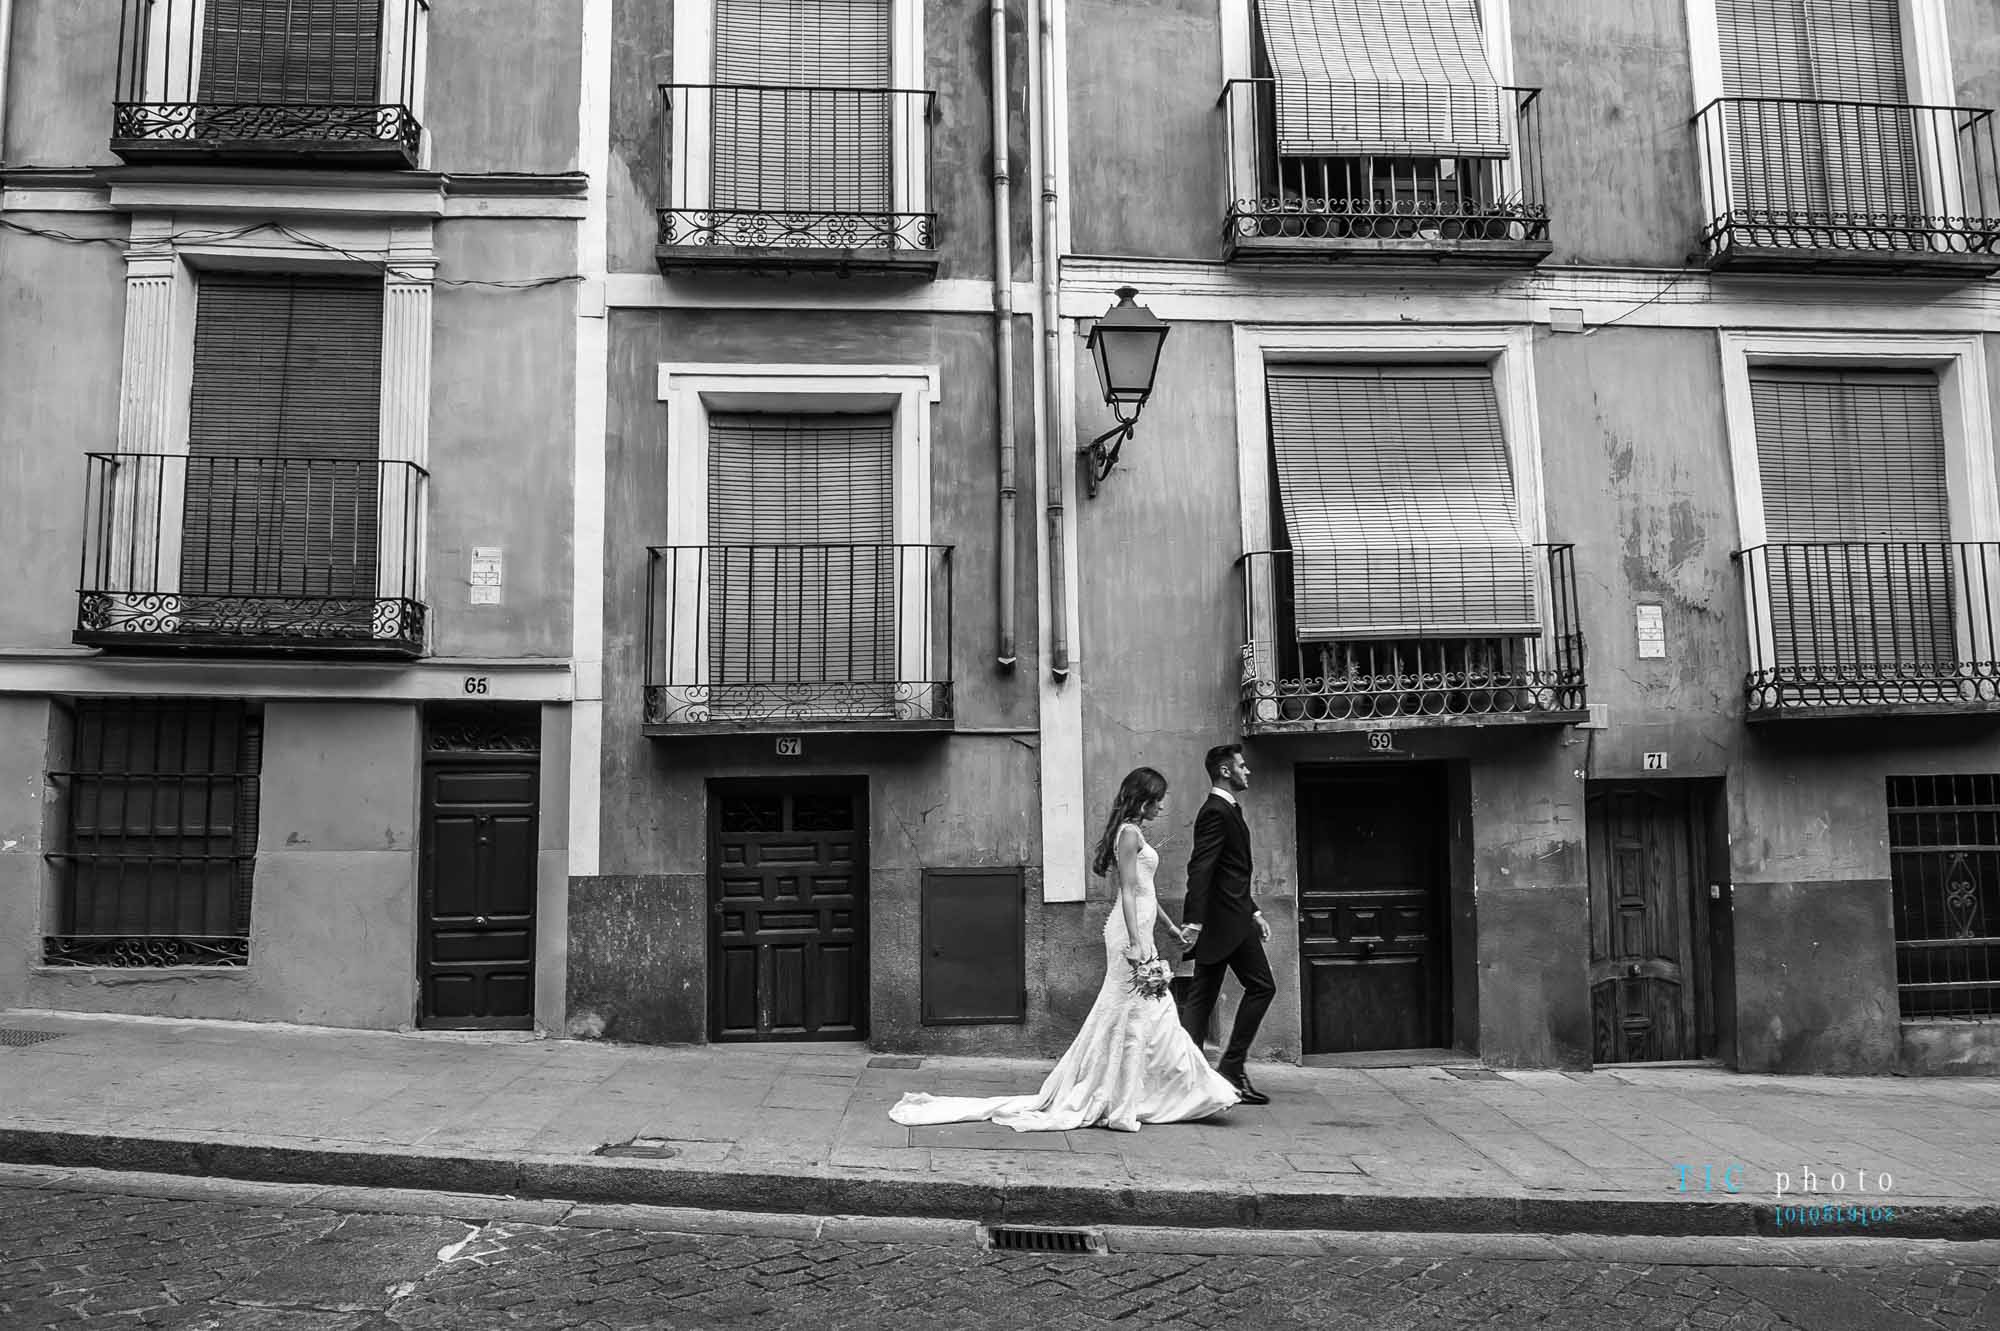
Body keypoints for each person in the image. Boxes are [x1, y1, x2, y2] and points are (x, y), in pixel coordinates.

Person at [888, 767, 1240, 1132]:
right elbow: (1128, 894)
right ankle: (1138, 1100)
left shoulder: (1134, 834)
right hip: (1129, 933)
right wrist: (1136, 943)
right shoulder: (1130, 834)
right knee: (1137, 1011)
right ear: (1144, 799)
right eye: (1159, 799)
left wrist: (1167, 927)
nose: (1163, 807)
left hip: (1142, 929)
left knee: (1146, 1012)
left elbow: (1143, 888)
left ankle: (1159, 1093)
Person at [1179, 743, 1276, 1105]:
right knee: (1261, 987)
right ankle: (1229, 1069)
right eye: (1242, 765)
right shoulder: (1216, 812)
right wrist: (1194, 920)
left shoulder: (1227, 809)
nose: (1247, 771)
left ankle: (1188, 1073)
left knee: (1202, 997)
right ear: (1225, 771)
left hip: (1235, 917)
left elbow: (1231, 872)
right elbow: (1201, 868)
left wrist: (1254, 911)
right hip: (1225, 923)